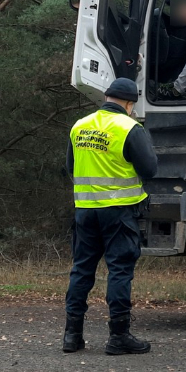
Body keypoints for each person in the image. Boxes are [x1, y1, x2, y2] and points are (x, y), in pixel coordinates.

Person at [63, 77, 158, 356]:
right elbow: (150, 169)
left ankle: (72, 336)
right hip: (118, 212)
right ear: (130, 103)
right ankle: (118, 336)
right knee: (119, 270)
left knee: (82, 270)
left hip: (85, 211)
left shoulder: (80, 125)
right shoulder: (130, 128)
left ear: (106, 97)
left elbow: (70, 166)